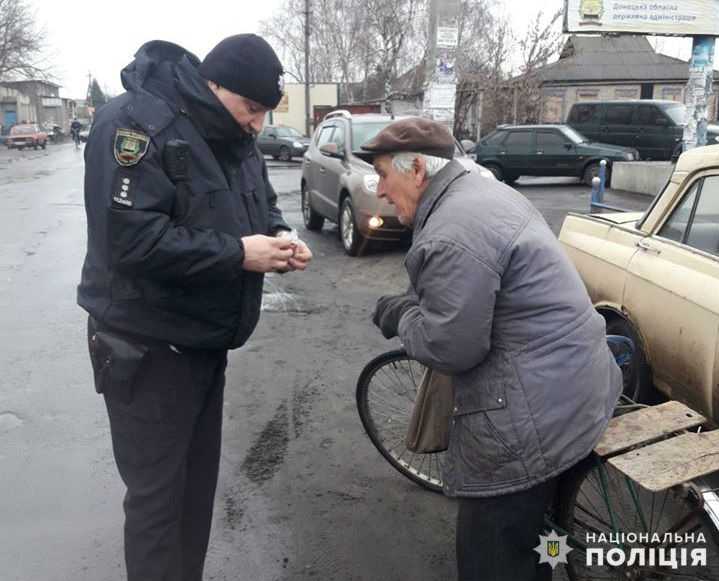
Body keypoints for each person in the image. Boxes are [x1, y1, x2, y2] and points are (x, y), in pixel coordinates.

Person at [77, 33, 312, 581]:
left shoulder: (229, 134)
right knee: (159, 501)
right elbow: (129, 242)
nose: (258, 124)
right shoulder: (134, 126)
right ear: (214, 85)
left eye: (265, 112)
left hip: (204, 343)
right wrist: (238, 254)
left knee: (195, 491)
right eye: (251, 108)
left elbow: (260, 201)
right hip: (146, 346)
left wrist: (277, 235)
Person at [360, 117, 622, 581]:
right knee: (537, 532)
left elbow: (451, 348)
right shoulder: (485, 191)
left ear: (417, 168)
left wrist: (402, 316)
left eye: (383, 175)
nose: (379, 190)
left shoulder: (449, 232)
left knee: (490, 556)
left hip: (533, 418)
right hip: (581, 385)